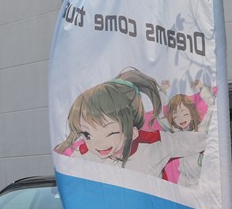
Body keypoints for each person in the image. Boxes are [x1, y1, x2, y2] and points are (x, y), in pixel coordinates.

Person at [55, 67, 207, 183]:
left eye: (109, 133)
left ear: (134, 132)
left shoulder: (154, 144)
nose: (98, 143)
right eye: (87, 134)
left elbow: (202, 140)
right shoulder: (84, 154)